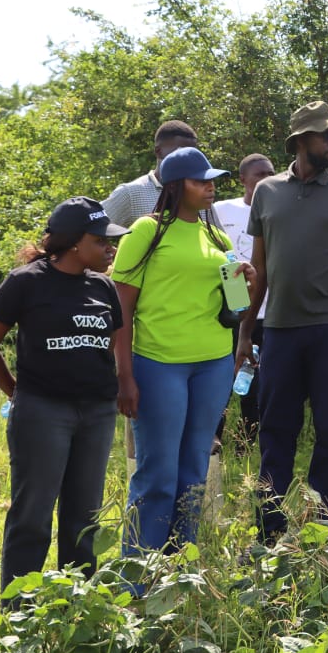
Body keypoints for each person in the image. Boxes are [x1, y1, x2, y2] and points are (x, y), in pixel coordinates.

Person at [235, 101, 328, 542]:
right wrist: (246, 332)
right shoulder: (267, 193)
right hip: (279, 330)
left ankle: (327, 530)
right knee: (276, 431)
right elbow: (257, 271)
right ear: (300, 140)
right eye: (325, 134)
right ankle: (269, 534)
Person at [0, 197, 129, 595]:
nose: (110, 249)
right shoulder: (26, 281)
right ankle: (20, 615)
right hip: (42, 413)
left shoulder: (104, 287)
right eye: (102, 241)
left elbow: (113, 344)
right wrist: (18, 393)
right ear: (75, 243)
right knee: (33, 516)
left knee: (84, 518)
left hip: (96, 415)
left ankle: (74, 610)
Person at [112, 147, 247, 556]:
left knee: (194, 472)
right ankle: (136, 573)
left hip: (213, 365)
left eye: (211, 181)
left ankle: (179, 569)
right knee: (158, 474)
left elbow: (236, 306)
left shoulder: (216, 236)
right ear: (175, 187)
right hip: (159, 365)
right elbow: (122, 309)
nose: (210, 188)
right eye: (200, 181)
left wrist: (248, 284)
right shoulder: (145, 232)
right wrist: (124, 374)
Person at [102, 120, 201, 477]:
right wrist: (109, 268)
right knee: (146, 440)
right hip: (143, 329)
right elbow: (92, 228)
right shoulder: (132, 194)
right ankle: (142, 500)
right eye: (177, 152)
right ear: (158, 152)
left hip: (191, 329)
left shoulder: (198, 194)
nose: (186, 159)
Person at [213, 153, 276, 445]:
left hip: (269, 313)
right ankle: (213, 443)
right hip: (230, 312)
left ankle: (246, 447)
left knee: (256, 386)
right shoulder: (220, 210)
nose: (266, 179)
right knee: (221, 382)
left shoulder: (279, 210)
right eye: (259, 174)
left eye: (270, 174)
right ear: (243, 180)